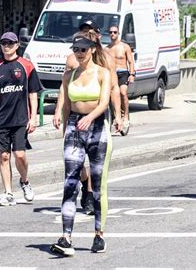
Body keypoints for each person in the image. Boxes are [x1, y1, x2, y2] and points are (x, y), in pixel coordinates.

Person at [51, 31, 112, 256]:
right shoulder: (69, 75)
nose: (79, 53)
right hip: (75, 128)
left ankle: (99, 234)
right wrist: (66, 128)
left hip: (97, 127)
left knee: (97, 184)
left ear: (92, 50)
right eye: (75, 49)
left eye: (83, 49)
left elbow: (104, 102)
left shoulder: (103, 73)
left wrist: (91, 116)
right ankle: (66, 237)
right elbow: (66, 104)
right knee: (70, 183)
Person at [53, 20, 122, 215]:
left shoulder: (107, 60)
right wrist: (59, 111)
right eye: (83, 32)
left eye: (90, 34)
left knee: (94, 161)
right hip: (76, 117)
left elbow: (115, 87)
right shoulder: (72, 60)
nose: (86, 37)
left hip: (98, 114)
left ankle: (91, 193)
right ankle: (85, 184)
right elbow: (64, 89)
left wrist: (118, 115)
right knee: (77, 162)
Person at [0, 32, 42, 206]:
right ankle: (8, 193)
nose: (6, 46)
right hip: (2, 120)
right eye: (3, 43)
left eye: (10, 43)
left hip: (20, 119)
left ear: (17, 45)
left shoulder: (26, 66)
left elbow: (33, 93)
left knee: (20, 155)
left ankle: (24, 182)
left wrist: (33, 118)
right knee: (4, 156)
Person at [105, 25, 135, 129]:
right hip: (111, 74)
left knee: (122, 93)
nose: (112, 34)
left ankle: (125, 116)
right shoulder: (106, 49)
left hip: (123, 73)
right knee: (110, 96)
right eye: (110, 32)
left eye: (114, 32)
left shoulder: (124, 47)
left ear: (118, 33)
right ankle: (114, 115)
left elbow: (131, 62)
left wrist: (132, 74)